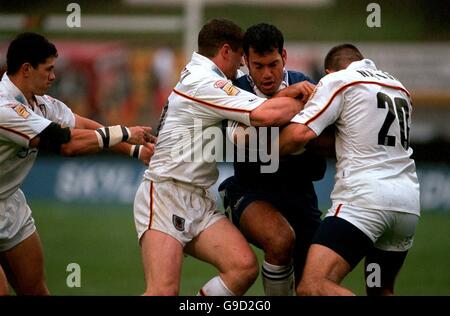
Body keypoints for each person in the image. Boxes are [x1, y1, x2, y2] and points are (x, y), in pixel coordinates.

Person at [133, 18, 305, 296]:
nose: (240, 70)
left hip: (198, 198)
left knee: (243, 267)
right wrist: (299, 96)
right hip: (167, 194)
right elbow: (265, 115)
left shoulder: (197, 77)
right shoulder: (206, 82)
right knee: (162, 291)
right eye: (239, 61)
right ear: (225, 51)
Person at [0, 32, 154, 295]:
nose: (53, 76)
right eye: (48, 70)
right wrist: (125, 133)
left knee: (35, 289)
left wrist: (134, 151)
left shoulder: (40, 103)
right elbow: (65, 143)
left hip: (10, 201)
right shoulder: (5, 107)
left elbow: (81, 125)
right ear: (26, 69)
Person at [277, 44, 420, 296]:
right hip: (407, 204)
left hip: (365, 200)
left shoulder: (339, 80)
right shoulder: (400, 87)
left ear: (329, 71)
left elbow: (298, 135)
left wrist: (259, 147)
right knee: (380, 289)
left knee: (312, 286)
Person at [218, 23, 326, 295]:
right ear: (246, 62)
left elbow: (320, 153)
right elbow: (240, 141)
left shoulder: (308, 85)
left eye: (273, 64)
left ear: (284, 57)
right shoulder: (233, 91)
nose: (267, 74)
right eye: (258, 66)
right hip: (252, 192)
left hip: (301, 195)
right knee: (279, 239)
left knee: (312, 285)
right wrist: (286, 104)